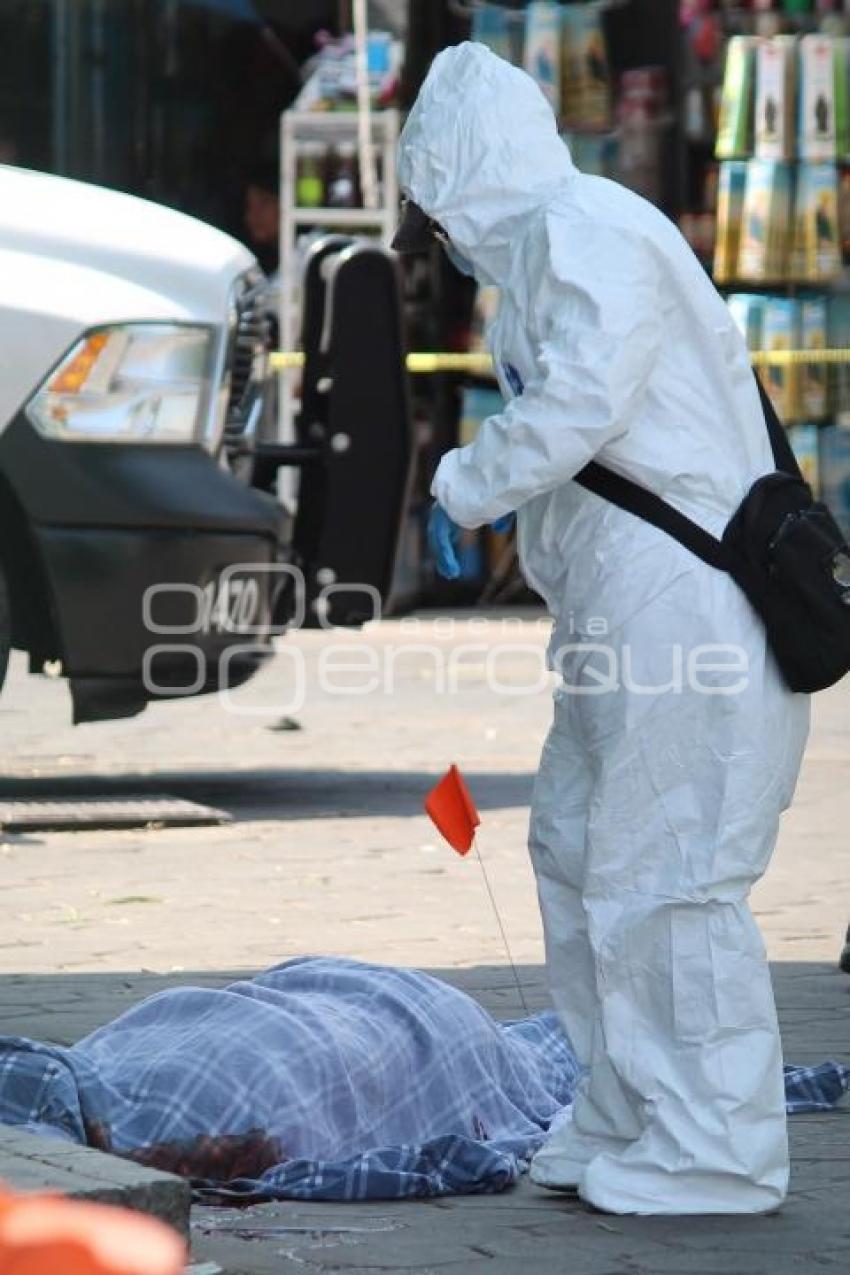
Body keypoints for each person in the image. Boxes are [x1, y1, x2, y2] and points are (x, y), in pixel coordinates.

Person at [393, 42, 810, 1216]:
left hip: (691, 617)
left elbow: (583, 402)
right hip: (626, 624)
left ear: (465, 169)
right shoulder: (541, 253)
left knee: (662, 880)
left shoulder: (586, 229)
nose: (440, 230)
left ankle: (716, 1148)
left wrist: (465, 485)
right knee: (577, 853)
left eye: (437, 197)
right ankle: (626, 1106)